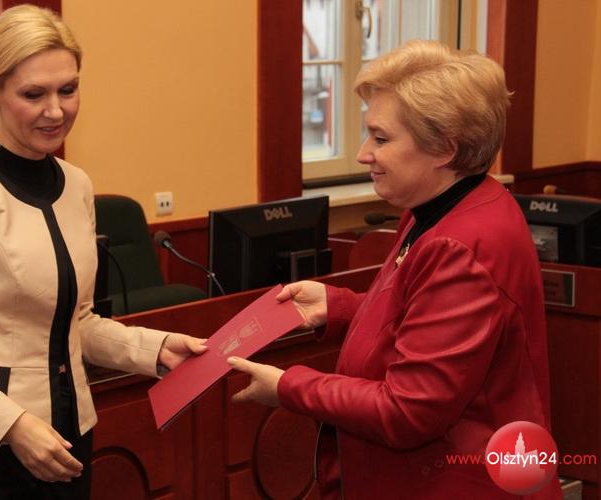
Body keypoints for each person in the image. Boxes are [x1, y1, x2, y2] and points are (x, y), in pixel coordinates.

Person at [0, 5, 205, 500]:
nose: (56, 111)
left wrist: (153, 350)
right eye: (34, 94)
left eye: (68, 90)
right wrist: (11, 425)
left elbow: (76, 323)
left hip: (68, 438)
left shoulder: (77, 185)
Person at [228, 40, 562, 499]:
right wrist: (338, 306)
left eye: (381, 139)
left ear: (444, 148)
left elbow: (408, 412)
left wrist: (289, 386)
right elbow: (421, 318)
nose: (364, 153)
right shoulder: (436, 209)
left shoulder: (459, 245)